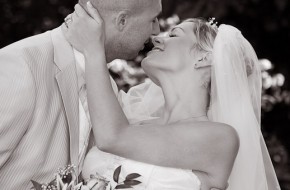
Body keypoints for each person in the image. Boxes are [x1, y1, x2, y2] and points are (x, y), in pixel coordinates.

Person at [63, 4, 281, 190]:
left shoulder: (221, 138)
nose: (157, 38)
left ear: (205, 59)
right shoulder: (128, 117)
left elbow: (112, 138)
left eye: (174, 34)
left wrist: (93, 48)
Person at [0, 0, 161, 189]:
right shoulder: (20, 66)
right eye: (153, 19)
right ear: (122, 21)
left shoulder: (105, 87)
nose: (157, 30)